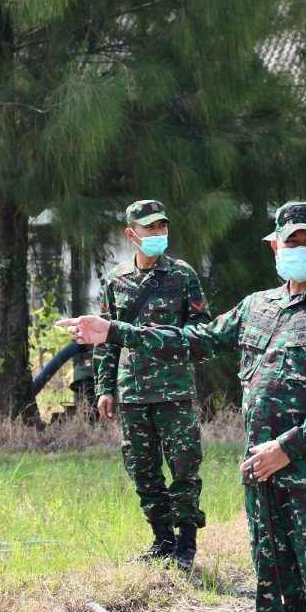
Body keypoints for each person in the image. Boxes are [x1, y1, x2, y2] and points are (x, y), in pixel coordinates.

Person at [62, 201, 306, 612]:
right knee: (276, 593)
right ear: (275, 247)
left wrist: (288, 447)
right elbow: (195, 340)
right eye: (293, 241)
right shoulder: (257, 307)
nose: (301, 248)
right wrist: (116, 331)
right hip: (264, 481)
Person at [93, 199, 210, 570]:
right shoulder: (116, 280)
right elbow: (105, 337)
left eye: (162, 227)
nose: (158, 233)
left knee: (184, 466)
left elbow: (203, 330)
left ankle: (187, 545)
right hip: (132, 392)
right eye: (150, 228)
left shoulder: (182, 275)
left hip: (174, 389)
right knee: (141, 468)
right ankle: (162, 539)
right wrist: (104, 387)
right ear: (132, 234)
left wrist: (170, 339)